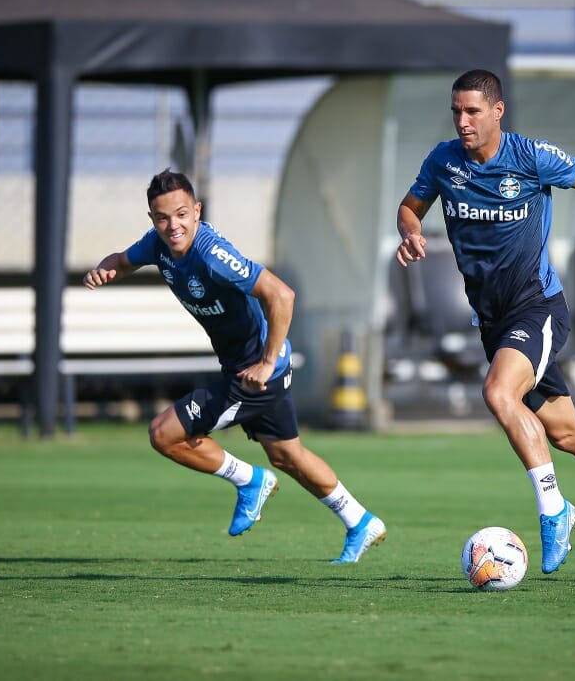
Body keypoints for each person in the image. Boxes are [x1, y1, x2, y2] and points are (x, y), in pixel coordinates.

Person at [395, 69, 575, 574]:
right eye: (456, 111)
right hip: (493, 320)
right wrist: (411, 231)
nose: (462, 121)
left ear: (497, 112)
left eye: (473, 111)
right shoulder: (443, 161)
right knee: (567, 433)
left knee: (499, 395)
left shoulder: (530, 157)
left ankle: (554, 511)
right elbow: (409, 207)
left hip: (537, 306)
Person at [83, 168, 386, 563]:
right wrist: (106, 269)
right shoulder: (157, 246)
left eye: (181, 215)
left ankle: (249, 480)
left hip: (254, 375)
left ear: (197, 211)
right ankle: (360, 520)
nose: (172, 225)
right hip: (245, 369)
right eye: (162, 217)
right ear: (152, 220)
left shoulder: (212, 255)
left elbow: (282, 295)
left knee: (163, 434)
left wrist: (265, 361)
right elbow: (123, 260)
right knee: (287, 455)